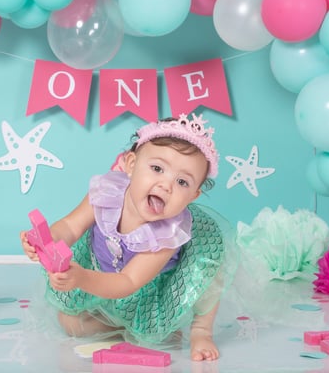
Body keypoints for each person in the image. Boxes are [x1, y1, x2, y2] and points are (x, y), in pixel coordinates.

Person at [20, 113, 230, 361]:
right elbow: (70, 226)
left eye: (182, 182)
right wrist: (46, 240)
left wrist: (81, 278)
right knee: (69, 323)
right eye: (157, 168)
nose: (166, 185)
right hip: (101, 275)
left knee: (208, 273)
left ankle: (201, 330)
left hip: (147, 291)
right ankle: (116, 327)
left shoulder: (167, 234)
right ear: (131, 164)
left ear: (192, 196)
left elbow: (129, 281)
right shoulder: (106, 193)